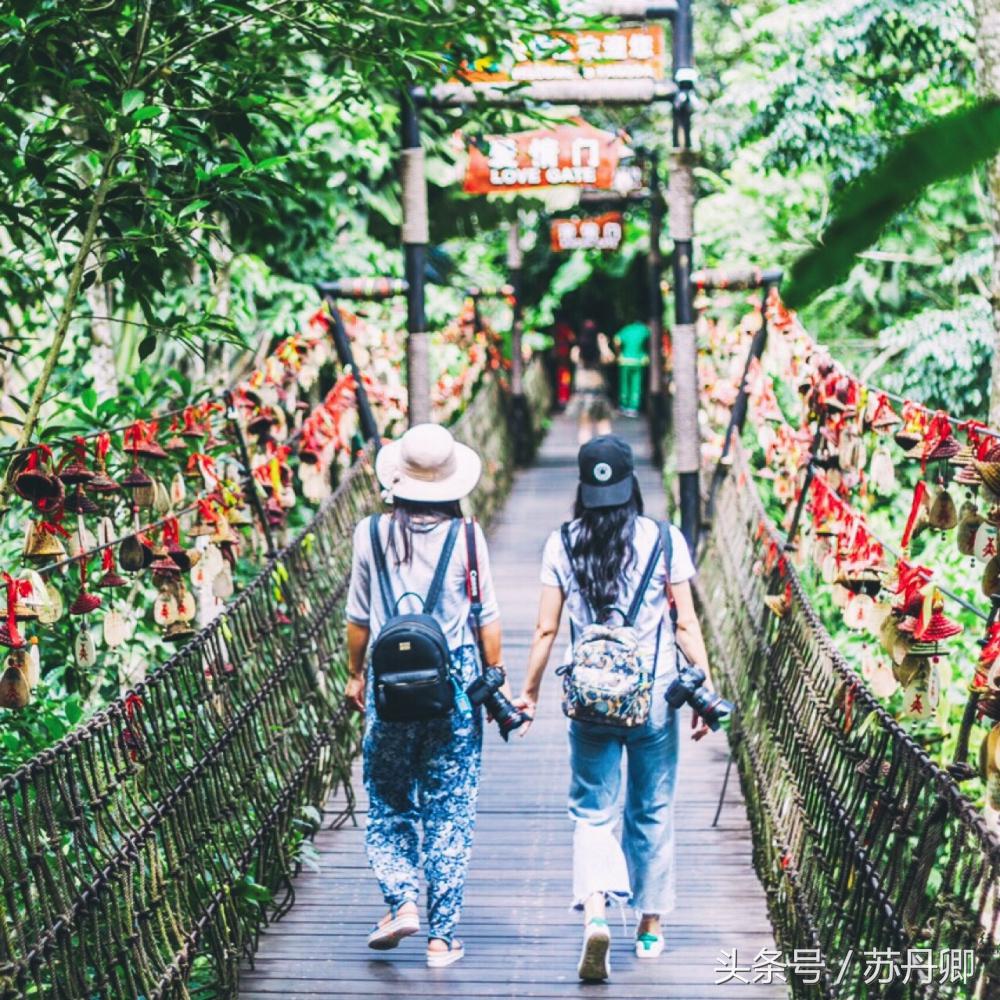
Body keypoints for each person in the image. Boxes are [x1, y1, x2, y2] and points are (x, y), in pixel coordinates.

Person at [513, 435, 717, 982]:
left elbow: (546, 629)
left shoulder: (562, 544)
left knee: (591, 810)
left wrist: (529, 692)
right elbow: (686, 624)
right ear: (631, 487)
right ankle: (649, 928)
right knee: (651, 807)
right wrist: (706, 688)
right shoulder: (664, 540)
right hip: (653, 697)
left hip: (589, 704)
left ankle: (598, 912)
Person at [344, 423, 504, 968]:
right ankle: (442, 938)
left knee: (389, 797)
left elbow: (358, 618)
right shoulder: (468, 536)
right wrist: (495, 674)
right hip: (453, 686)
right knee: (449, 806)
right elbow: (489, 619)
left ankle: (402, 901)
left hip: (389, 685)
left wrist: (354, 676)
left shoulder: (369, 533)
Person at [570, 320, 615, 444]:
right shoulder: (599, 353)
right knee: (604, 426)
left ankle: (585, 456)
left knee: (585, 428)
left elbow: (574, 359)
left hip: (583, 394)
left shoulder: (577, 351)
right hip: (598, 394)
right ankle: (606, 454)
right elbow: (610, 359)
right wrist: (603, 344)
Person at [613, 319, 650, 416]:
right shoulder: (644, 329)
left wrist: (619, 353)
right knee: (636, 385)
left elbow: (616, 340)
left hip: (624, 360)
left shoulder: (626, 329)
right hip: (638, 361)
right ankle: (633, 408)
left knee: (624, 384)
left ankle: (623, 405)